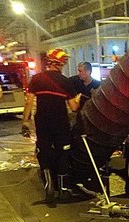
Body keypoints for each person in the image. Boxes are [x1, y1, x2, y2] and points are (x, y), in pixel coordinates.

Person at [24, 49, 81, 202]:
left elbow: (29, 102)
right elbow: (74, 107)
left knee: (44, 151)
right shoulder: (65, 81)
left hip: (42, 122)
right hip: (60, 123)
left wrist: (25, 122)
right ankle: (63, 189)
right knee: (63, 153)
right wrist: (79, 98)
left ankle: (48, 184)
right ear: (60, 64)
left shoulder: (36, 79)